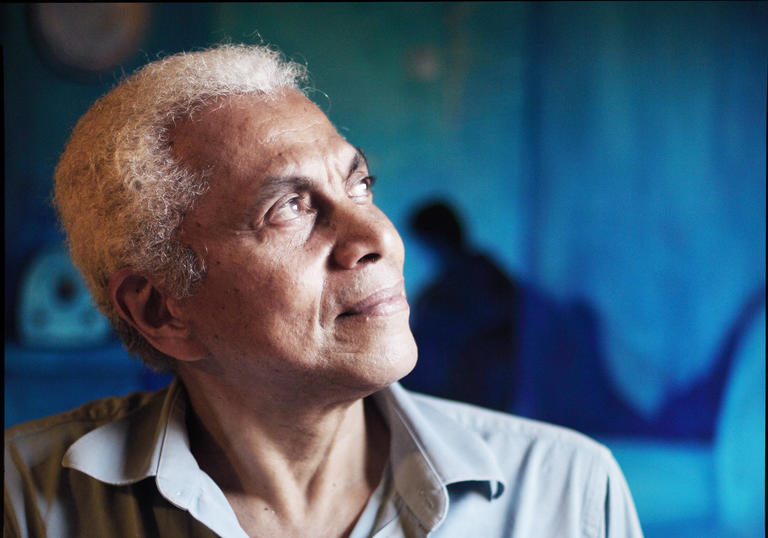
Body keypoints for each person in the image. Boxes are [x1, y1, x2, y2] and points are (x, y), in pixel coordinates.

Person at [4, 44, 643, 537]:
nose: (377, 235)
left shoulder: (566, 493)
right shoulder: (24, 499)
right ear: (162, 308)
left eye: (359, 184)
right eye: (289, 207)